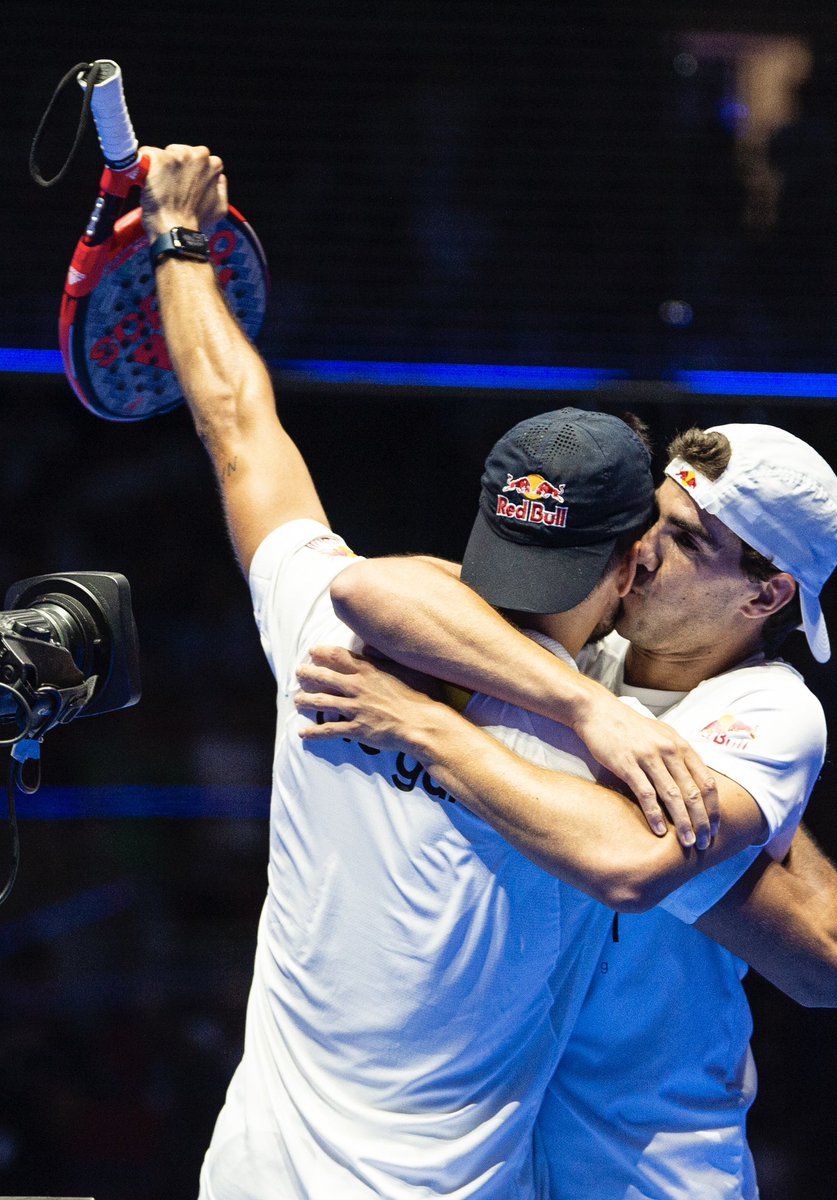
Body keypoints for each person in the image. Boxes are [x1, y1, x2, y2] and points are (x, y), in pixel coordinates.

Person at [137, 142, 779, 1200]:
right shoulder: (624, 762)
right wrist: (587, 710)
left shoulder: (323, 631)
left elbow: (236, 423)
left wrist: (176, 240)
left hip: (249, 1175)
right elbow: (757, 925)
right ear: (635, 562)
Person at [293, 423, 837, 1197]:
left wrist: (429, 727)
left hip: (654, 1162)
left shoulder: (770, 712)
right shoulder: (581, 636)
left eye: (690, 542)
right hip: (500, 1147)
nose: (647, 551)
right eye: (652, 519)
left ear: (765, 594)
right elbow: (374, 589)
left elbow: (629, 864)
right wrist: (587, 708)